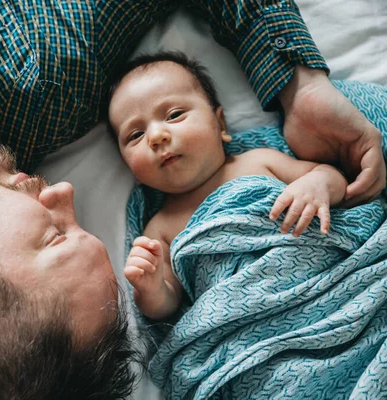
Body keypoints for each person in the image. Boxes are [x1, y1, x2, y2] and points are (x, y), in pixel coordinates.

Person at [0, 0, 384, 398]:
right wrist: (300, 83)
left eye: (56, 233)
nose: (66, 192)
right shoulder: (50, 75)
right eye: (58, 235)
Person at [107, 51, 358, 320]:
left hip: (325, 287)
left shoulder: (259, 161)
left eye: (174, 114)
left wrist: (318, 183)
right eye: (136, 135)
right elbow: (167, 307)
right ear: (131, 169)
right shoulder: (160, 228)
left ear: (220, 124)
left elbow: (335, 180)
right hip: (243, 322)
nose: (156, 136)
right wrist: (151, 288)